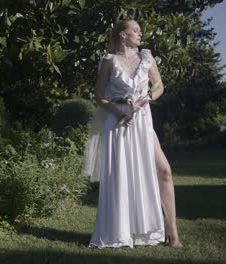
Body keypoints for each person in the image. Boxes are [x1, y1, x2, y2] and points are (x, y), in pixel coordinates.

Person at [82, 19, 183, 248]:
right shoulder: (109, 62)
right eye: (135, 30)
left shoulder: (147, 57)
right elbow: (99, 96)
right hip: (118, 124)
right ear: (122, 35)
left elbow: (159, 86)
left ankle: (172, 232)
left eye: (140, 29)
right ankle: (122, 232)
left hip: (143, 123)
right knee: (122, 177)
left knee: (164, 171)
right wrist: (118, 111)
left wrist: (147, 98)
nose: (140, 33)